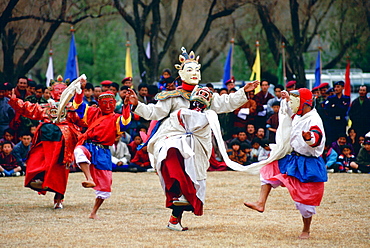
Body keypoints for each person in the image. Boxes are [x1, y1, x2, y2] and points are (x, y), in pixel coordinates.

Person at [126, 47, 259, 231]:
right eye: (189, 70)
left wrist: (243, 92)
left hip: (198, 143)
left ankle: (174, 220)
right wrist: (137, 105)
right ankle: (178, 198)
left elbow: (227, 103)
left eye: (197, 70)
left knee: (193, 179)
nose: (194, 73)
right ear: (180, 74)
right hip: (174, 136)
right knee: (170, 152)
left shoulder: (207, 96)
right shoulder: (172, 96)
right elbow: (153, 112)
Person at [244, 88, 327, 239]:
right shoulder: (300, 114)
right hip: (292, 158)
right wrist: (287, 98)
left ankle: (306, 229)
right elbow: (290, 112)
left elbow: (317, 137)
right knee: (269, 169)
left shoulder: (314, 120)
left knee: (305, 202)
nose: (291, 104)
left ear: (305, 103)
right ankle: (260, 202)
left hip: (308, 162)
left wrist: (310, 138)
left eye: (295, 101)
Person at [8, 75, 86, 209]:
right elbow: (29, 109)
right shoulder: (45, 106)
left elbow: (81, 117)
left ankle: (59, 197)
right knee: (37, 160)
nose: (60, 92)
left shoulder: (71, 107)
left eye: (63, 89)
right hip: (45, 138)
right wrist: (15, 100)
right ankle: (38, 180)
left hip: (62, 141)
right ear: (51, 91)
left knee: (60, 170)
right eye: (57, 89)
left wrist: (80, 91)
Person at [73, 86, 132, 219]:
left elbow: (125, 122)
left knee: (105, 187)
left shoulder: (116, 118)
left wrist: (126, 105)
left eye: (111, 103)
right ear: (99, 103)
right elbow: (78, 106)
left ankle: (93, 212)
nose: (108, 106)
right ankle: (88, 178)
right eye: (104, 103)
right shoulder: (92, 112)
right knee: (78, 151)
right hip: (89, 146)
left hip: (104, 151)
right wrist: (79, 91)